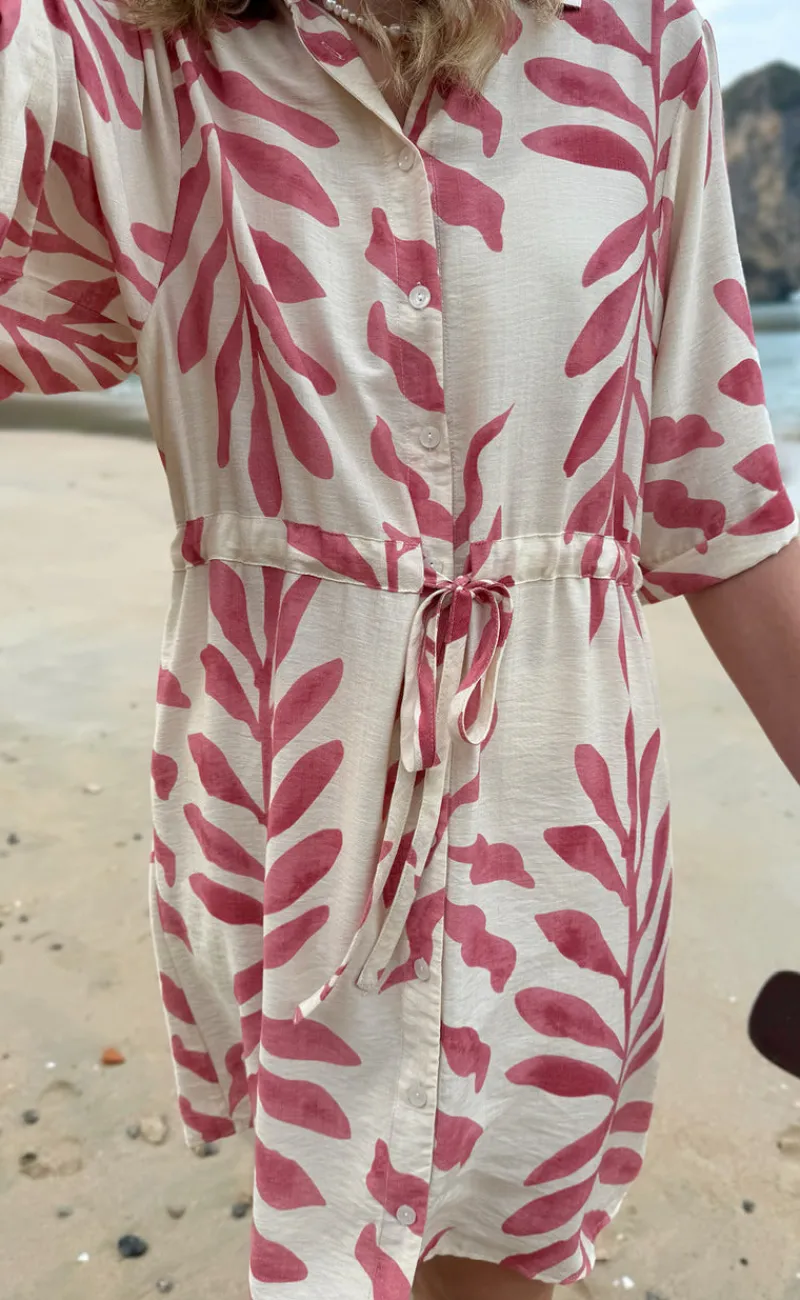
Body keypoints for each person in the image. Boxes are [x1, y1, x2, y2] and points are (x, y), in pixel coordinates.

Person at [1, 0, 798, 1297]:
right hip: (289, 805)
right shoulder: (121, 47)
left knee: (507, 1254)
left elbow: (714, 491)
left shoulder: (644, 39)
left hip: (565, 820)